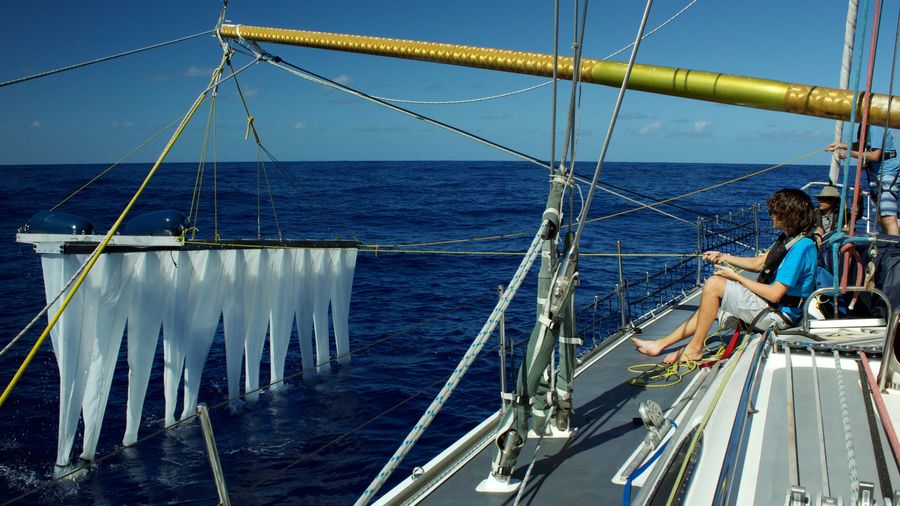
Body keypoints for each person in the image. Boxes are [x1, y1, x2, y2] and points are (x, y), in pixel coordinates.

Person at [632, 189, 818, 364]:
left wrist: (736, 277)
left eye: (775, 211)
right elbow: (760, 263)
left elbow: (775, 294)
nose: (771, 215)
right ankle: (660, 344)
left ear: (788, 215)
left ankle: (694, 349)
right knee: (708, 306)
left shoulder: (801, 247)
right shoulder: (789, 239)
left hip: (779, 315)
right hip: (772, 307)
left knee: (714, 284)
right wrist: (723, 256)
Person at [826, 124, 900, 235]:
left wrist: (849, 153)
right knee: (881, 219)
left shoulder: (876, 126)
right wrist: (840, 145)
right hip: (875, 175)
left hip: (887, 174)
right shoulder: (865, 125)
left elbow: (875, 155)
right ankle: (888, 247)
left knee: (888, 218)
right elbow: (861, 145)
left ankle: (894, 250)